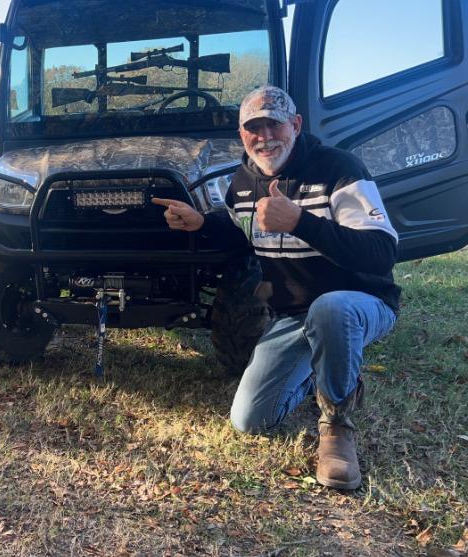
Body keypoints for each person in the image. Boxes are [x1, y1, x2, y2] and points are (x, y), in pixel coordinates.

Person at [153, 85, 400, 490]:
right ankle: (327, 367)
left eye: (275, 124)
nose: (265, 136)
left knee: (332, 309)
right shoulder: (243, 182)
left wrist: (301, 222)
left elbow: (381, 253)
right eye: (254, 127)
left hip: (361, 303)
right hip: (294, 316)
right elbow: (239, 233)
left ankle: (337, 428)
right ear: (242, 134)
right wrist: (201, 223)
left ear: (296, 125)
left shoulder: (340, 168)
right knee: (249, 420)